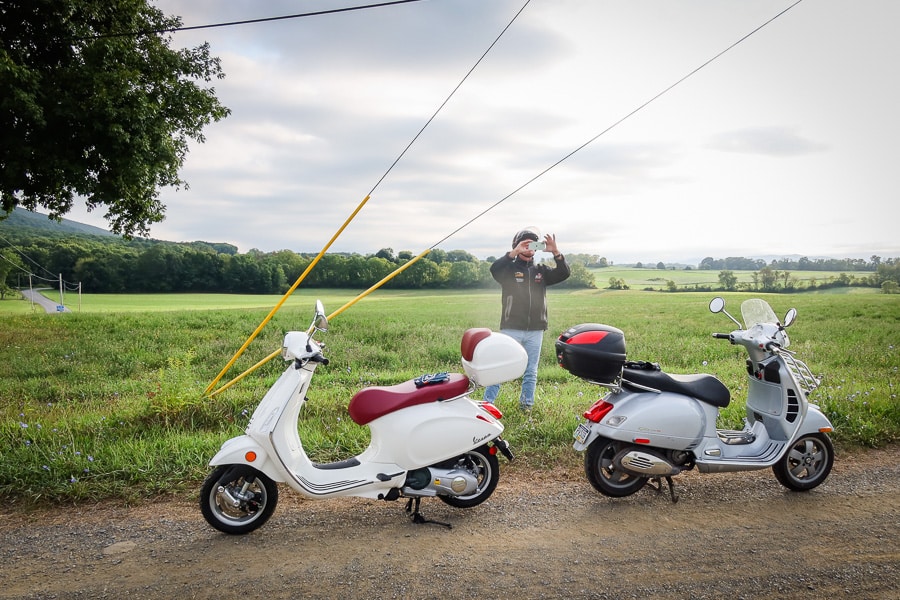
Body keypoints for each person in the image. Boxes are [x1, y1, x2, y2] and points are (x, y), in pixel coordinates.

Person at [483, 227, 570, 411]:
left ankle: (526, 406)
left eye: (533, 244)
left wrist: (556, 252)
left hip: (536, 329)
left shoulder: (541, 271)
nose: (529, 247)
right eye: (525, 244)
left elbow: (564, 273)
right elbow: (494, 269)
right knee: (500, 367)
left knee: (530, 372)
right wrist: (514, 252)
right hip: (511, 328)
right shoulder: (508, 270)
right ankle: (487, 405)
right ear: (516, 246)